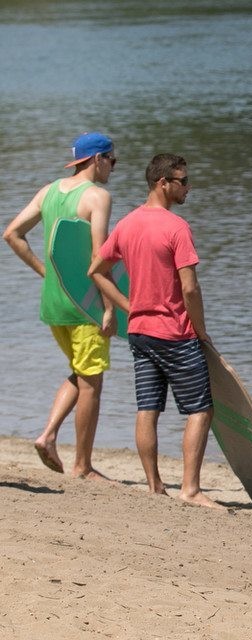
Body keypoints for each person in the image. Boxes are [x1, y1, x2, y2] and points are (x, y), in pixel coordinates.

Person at [89, 153, 221, 509]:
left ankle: (154, 485)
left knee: (148, 407)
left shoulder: (127, 224)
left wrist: (128, 306)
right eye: (182, 181)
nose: (188, 187)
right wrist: (201, 330)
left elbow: (96, 270)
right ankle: (190, 489)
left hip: (140, 332)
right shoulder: (176, 228)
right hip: (175, 333)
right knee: (200, 409)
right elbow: (190, 288)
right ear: (163, 183)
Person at [3, 132, 117, 478]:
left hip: (54, 301)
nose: (113, 167)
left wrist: (47, 273)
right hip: (86, 305)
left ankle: (48, 435)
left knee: (82, 372)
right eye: (112, 160)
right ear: (97, 159)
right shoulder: (98, 196)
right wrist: (109, 307)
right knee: (92, 383)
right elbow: (99, 256)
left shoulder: (48, 191)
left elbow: (12, 234)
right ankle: (83, 465)